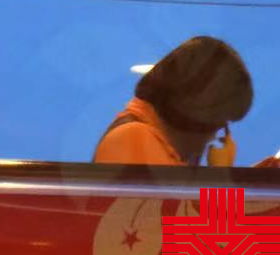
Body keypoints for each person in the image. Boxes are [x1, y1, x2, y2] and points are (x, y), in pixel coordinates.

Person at [93, 36, 259, 167]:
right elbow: (170, 202)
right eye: (218, 125)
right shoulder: (135, 138)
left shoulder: (159, 146)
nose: (213, 137)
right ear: (198, 116)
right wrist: (221, 176)